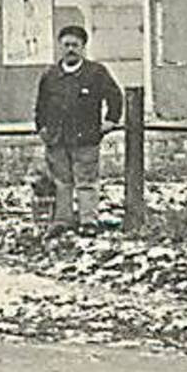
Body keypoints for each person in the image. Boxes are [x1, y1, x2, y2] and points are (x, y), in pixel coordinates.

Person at [33, 24, 123, 233]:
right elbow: (41, 105)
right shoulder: (50, 75)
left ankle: (88, 221)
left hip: (86, 137)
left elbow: (115, 97)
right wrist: (42, 129)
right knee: (61, 181)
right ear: (60, 47)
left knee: (86, 181)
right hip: (57, 138)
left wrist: (111, 120)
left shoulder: (96, 73)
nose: (70, 49)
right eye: (66, 45)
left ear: (83, 47)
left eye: (75, 45)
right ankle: (62, 221)